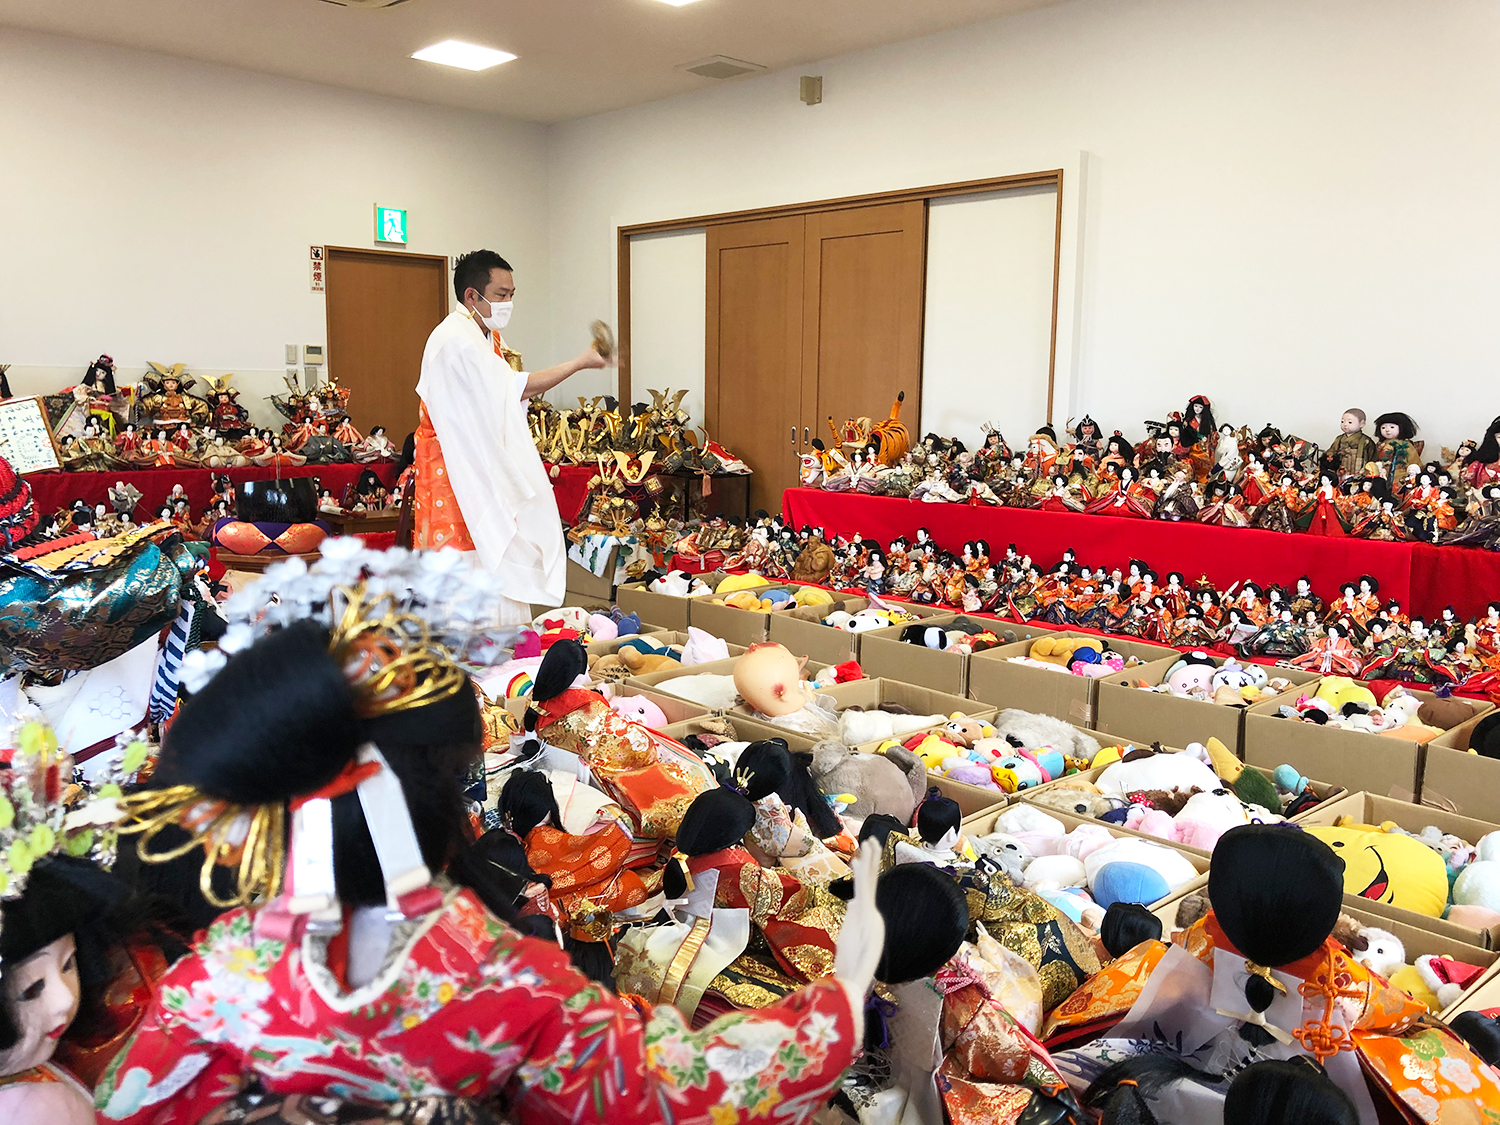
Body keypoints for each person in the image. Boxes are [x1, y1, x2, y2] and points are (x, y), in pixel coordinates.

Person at [96, 586, 884, 1125]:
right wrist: (839, 1004)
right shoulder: (492, 979)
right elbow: (668, 1089)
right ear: (431, 802)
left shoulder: (209, 977)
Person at [414, 250, 609, 624]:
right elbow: (513, 389)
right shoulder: (454, 339)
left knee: (496, 546)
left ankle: (504, 642)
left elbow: (500, 396)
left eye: (512, 294)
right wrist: (579, 362)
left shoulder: (485, 336)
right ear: (472, 295)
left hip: (474, 460)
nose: (508, 303)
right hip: (454, 466)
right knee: (467, 555)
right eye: (501, 295)